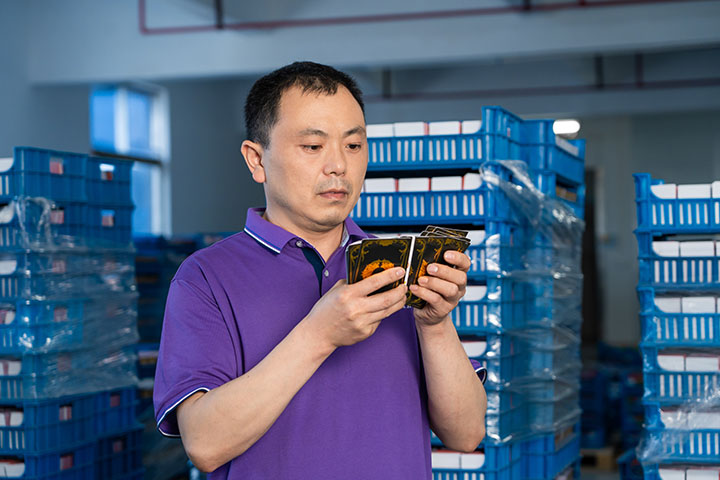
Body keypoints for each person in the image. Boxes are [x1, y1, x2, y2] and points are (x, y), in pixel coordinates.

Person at [154, 61, 487, 479]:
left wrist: (435, 324)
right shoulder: (205, 278)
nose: (338, 166)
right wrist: (320, 333)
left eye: (353, 146)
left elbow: (467, 433)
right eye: (313, 147)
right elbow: (204, 444)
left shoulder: (397, 266)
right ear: (256, 160)